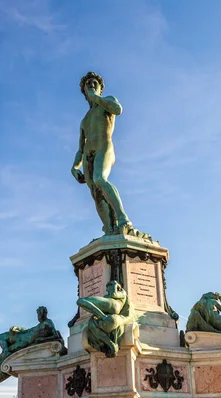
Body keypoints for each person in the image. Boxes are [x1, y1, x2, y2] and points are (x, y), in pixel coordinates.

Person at [71, 72, 149, 239]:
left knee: (100, 179)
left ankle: (123, 219)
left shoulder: (107, 102)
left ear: (100, 88)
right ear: (84, 91)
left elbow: (118, 110)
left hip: (104, 147)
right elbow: (80, 147)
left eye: (95, 83)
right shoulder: (84, 120)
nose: (91, 85)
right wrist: (75, 166)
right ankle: (109, 229)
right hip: (87, 155)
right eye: (88, 84)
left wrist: (97, 98)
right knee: (96, 193)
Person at [0, 306, 65, 390]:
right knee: (2, 337)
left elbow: (56, 336)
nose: (40, 316)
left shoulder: (48, 323)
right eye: (38, 314)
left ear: (45, 314)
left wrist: (42, 339)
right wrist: (18, 328)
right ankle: (5, 354)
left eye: (41, 314)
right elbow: (28, 330)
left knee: (2, 354)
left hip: (25, 342)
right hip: (24, 336)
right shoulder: (41, 324)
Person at [77, 280, 136, 357]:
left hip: (114, 305)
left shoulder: (122, 292)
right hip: (111, 310)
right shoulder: (107, 297)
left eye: (108, 286)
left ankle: (102, 316)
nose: (107, 289)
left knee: (81, 301)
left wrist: (115, 284)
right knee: (92, 324)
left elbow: (114, 294)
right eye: (108, 286)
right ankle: (111, 345)